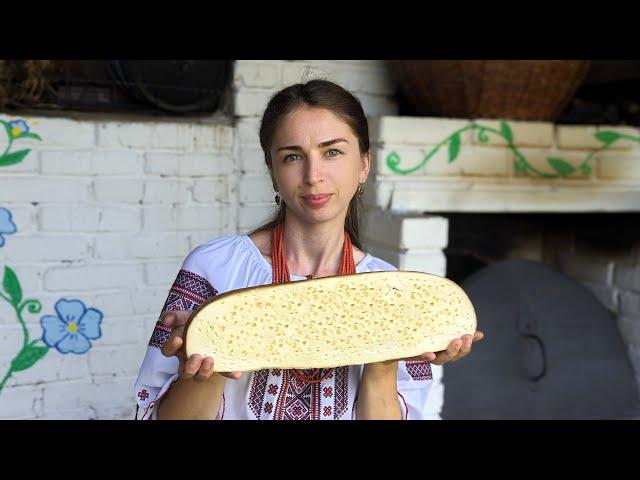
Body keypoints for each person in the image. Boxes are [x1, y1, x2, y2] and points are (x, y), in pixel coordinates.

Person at [133, 79, 484, 420]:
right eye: (292, 157)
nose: (313, 174)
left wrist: (386, 354)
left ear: (364, 165)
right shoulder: (215, 268)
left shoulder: (392, 294)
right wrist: (207, 362)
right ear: (272, 172)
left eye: (332, 152)